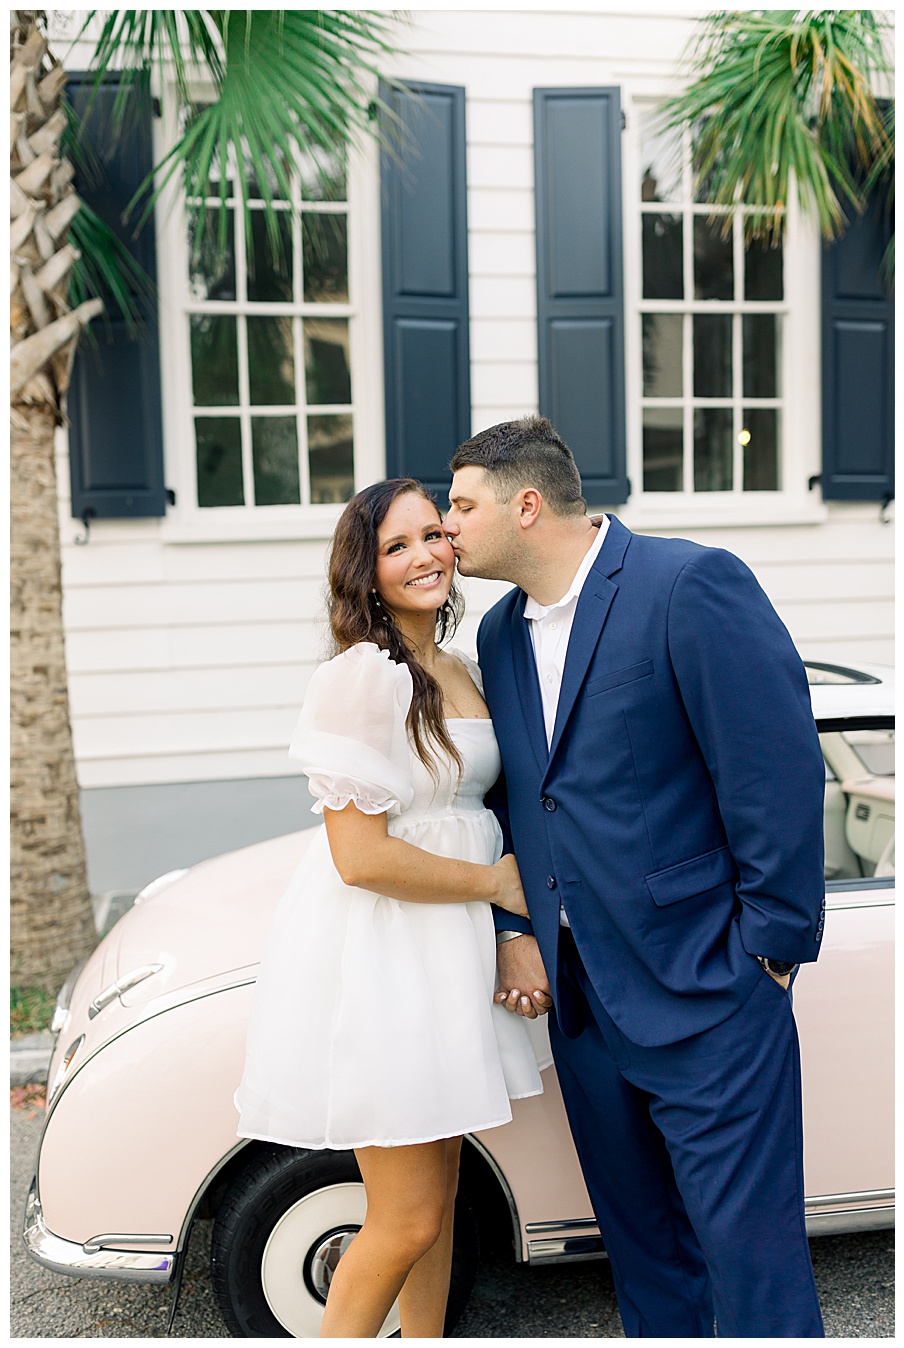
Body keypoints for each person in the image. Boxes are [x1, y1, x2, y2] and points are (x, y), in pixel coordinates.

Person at [441, 417, 827, 1337]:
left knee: (753, 1265)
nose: (446, 527)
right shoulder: (499, 635)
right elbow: (519, 800)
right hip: (583, 1006)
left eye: (460, 506)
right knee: (645, 1260)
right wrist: (518, 930)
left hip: (708, 992)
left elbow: (773, 772)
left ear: (525, 505)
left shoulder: (688, 585)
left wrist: (768, 955)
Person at [235, 478, 543, 1337]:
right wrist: (495, 885)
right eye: (395, 547)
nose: (423, 556)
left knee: (435, 1209)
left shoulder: (462, 667)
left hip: (448, 954)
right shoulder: (364, 678)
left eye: (433, 535)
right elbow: (360, 857)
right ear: (364, 573)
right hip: (389, 959)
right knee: (404, 1219)